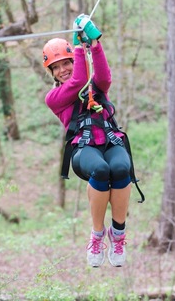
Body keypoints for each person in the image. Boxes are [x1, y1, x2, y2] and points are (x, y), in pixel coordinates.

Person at [42, 14, 132, 268]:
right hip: (84, 149)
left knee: (121, 168)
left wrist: (94, 43)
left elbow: (104, 77)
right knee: (101, 170)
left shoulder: (96, 86)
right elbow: (78, 81)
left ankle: (118, 234)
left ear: (74, 61)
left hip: (110, 140)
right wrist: (78, 47)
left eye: (66, 63)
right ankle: (97, 234)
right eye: (56, 67)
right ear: (51, 73)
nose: (63, 70)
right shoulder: (55, 97)